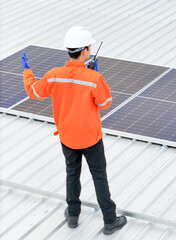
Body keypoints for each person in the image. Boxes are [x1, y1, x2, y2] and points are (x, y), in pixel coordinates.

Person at [21, 26, 126, 235]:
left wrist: (27, 71)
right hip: (91, 139)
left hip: (67, 137)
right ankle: (109, 220)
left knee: (72, 173)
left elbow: (33, 91)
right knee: (99, 177)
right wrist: (95, 75)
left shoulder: (53, 75)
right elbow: (105, 102)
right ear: (86, 51)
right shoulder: (93, 78)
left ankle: (73, 215)